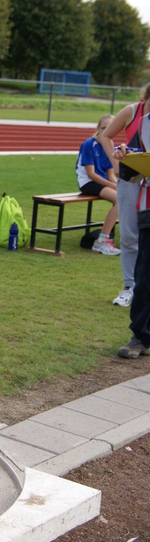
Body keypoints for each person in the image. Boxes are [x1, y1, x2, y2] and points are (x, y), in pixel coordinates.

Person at [100, 83, 150, 307]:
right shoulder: (132, 112)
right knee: (130, 236)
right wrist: (115, 162)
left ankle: (143, 289)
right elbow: (105, 135)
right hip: (130, 181)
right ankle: (130, 287)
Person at [114, 112, 150, 359]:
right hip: (149, 208)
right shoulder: (145, 122)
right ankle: (141, 335)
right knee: (145, 276)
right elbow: (134, 170)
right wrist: (125, 157)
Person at [75, 114, 120, 255]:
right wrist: (113, 186)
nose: (106, 131)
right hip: (88, 183)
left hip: (102, 182)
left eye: (110, 128)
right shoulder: (89, 144)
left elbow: (110, 175)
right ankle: (102, 241)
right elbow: (91, 174)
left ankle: (110, 236)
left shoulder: (111, 146)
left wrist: (119, 185)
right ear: (97, 128)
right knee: (120, 199)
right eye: (103, 128)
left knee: (124, 195)